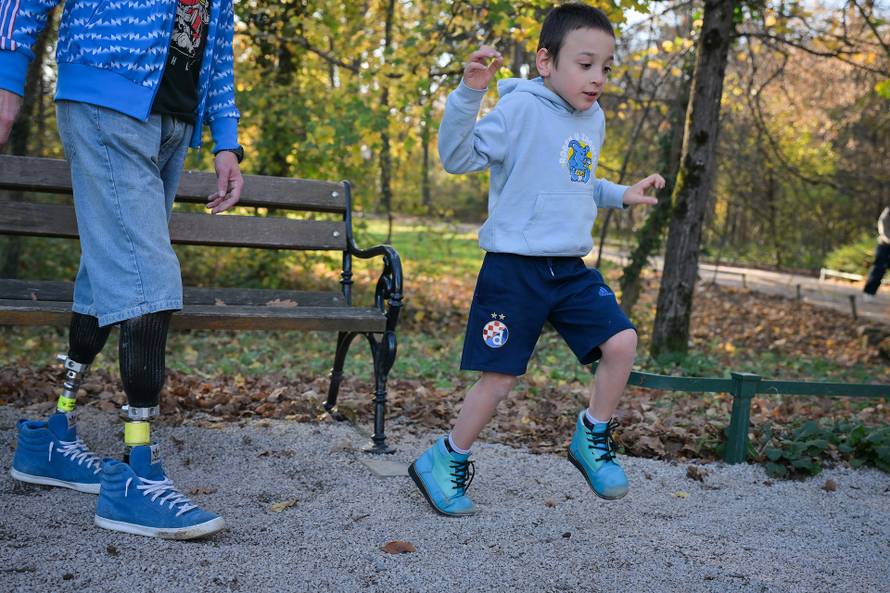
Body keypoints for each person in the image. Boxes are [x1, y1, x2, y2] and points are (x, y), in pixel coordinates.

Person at [0, 0, 244, 539]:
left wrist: (227, 137)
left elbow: (217, 44)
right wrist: (7, 78)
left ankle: (52, 439)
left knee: (107, 273)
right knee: (148, 281)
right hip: (105, 97)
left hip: (174, 118)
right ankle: (135, 476)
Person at [408, 3, 664, 517]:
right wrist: (470, 93)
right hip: (514, 268)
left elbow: (578, 182)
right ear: (546, 62)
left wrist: (621, 193)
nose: (597, 79)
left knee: (622, 342)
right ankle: (446, 458)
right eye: (585, 64)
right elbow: (458, 159)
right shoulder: (519, 111)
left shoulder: (593, 119)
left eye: (606, 68)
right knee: (499, 379)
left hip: (568, 268)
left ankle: (591, 436)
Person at [863, 207, 889, 300]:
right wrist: (887, 239)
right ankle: (869, 292)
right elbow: (882, 224)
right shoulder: (888, 211)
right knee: (878, 269)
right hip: (884, 245)